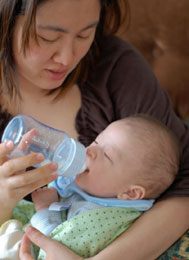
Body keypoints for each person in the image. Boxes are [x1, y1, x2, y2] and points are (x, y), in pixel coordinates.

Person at [0, 0, 188, 260]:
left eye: (84, 34)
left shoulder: (115, 65)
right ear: (5, 22)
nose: (67, 58)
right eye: (47, 37)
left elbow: (185, 177)